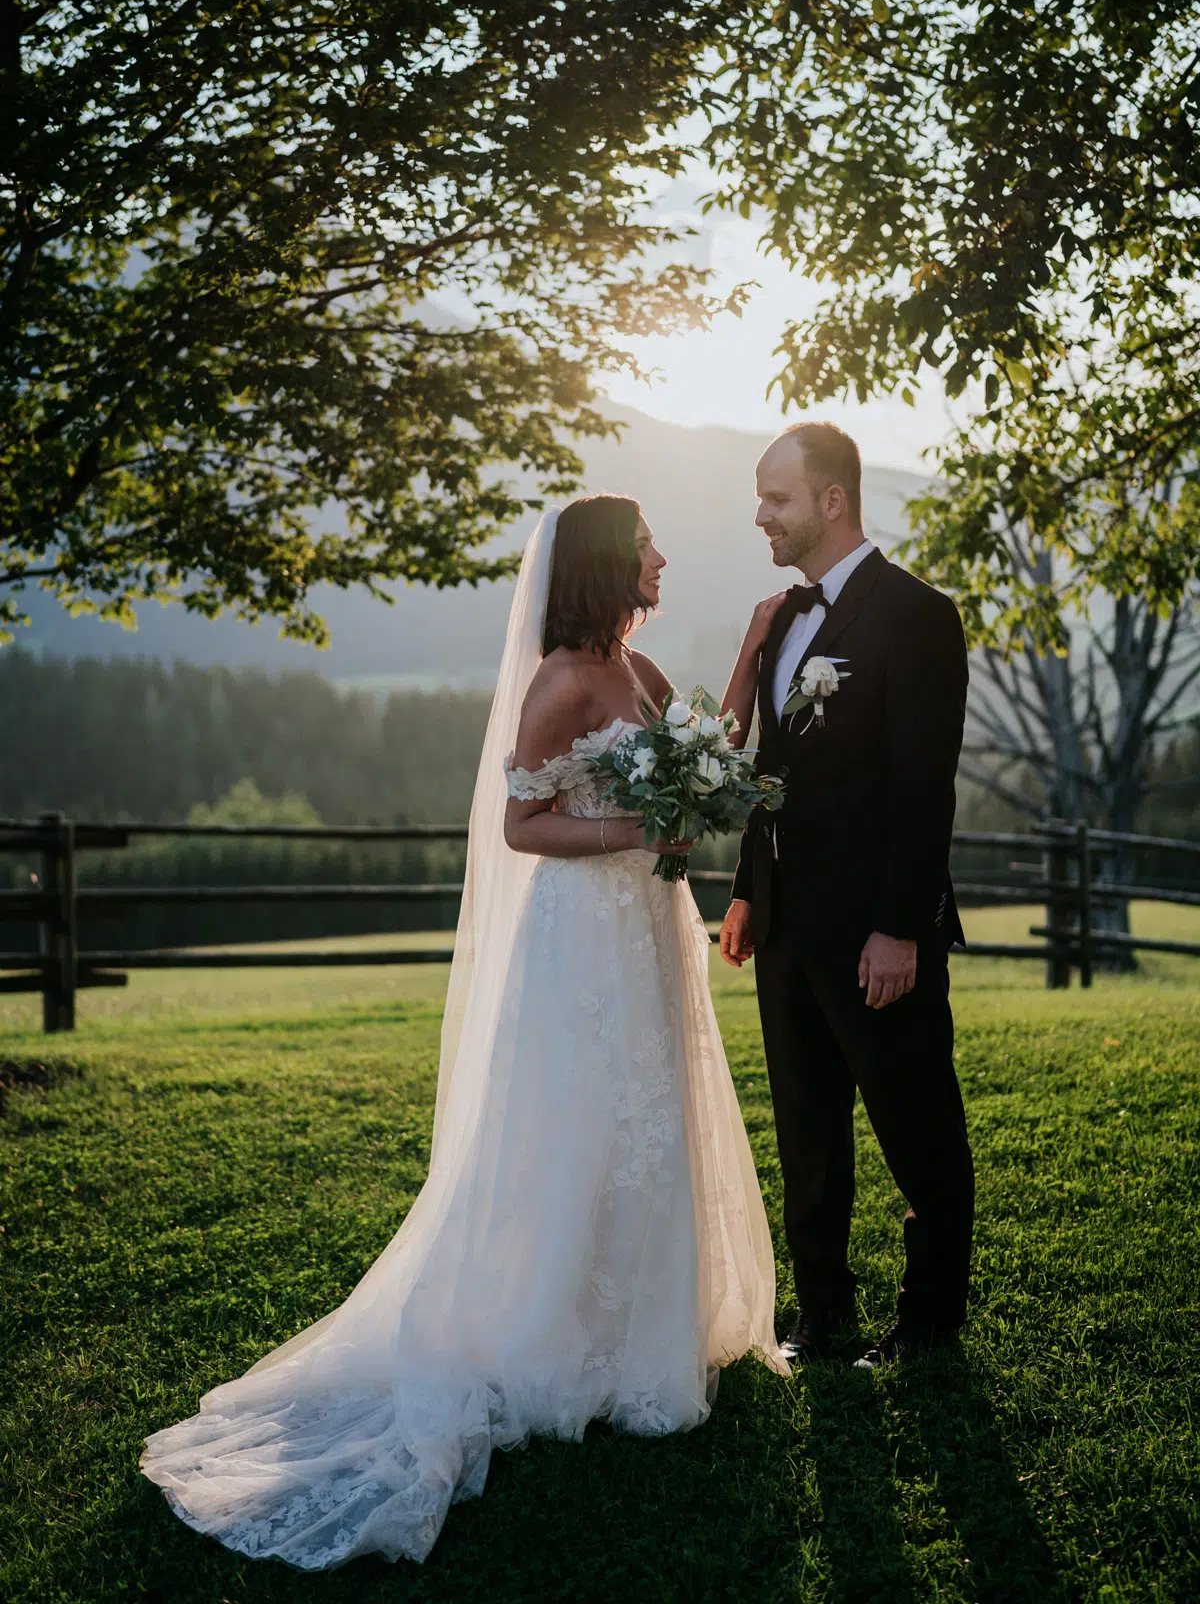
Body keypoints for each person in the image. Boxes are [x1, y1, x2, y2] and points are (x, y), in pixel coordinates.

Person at [140, 494, 786, 1571]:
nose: (663, 558)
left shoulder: (641, 670)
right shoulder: (562, 681)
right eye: (646, 548)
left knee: (651, 1118)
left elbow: (707, 752)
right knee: (581, 1124)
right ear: (602, 566)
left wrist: (756, 658)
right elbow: (519, 822)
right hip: (580, 932)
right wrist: (634, 825)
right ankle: (558, 1338)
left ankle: (646, 1338)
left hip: (645, 926)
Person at [719, 423, 974, 1370]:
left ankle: (931, 1321)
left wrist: (899, 929)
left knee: (917, 1124)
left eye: (776, 500)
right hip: (787, 927)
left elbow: (923, 785)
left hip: (876, 931)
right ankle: (823, 1316)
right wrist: (750, 889)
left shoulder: (916, 614)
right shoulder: (782, 618)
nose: (761, 517)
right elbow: (770, 770)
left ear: (832, 501)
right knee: (808, 1132)